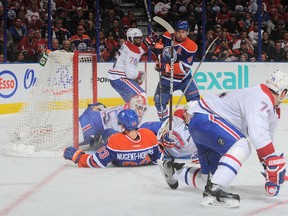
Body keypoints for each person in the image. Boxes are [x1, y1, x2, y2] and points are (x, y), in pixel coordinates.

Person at [158, 69, 288, 208]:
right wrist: (271, 162)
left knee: (210, 178)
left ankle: (175, 171)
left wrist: (269, 164)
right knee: (242, 145)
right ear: (283, 92)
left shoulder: (268, 105)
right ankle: (214, 191)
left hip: (202, 122)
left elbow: (267, 141)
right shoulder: (261, 99)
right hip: (207, 119)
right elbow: (259, 137)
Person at [64, 109, 163, 168]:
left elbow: (95, 162)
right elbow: (159, 158)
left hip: (116, 148)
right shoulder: (149, 135)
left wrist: (77, 156)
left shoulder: (115, 141)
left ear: (122, 125)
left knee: (108, 132)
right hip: (145, 147)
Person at [154, 20, 200, 121]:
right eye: (178, 31)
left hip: (184, 78)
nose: (180, 34)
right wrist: (156, 48)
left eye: (183, 32)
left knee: (195, 99)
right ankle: (164, 123)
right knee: (159, 102)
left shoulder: (191, 46)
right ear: (175, 31)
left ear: (187, 32)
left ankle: (191, 122)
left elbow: (184, 68)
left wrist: (165, 67)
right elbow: (159, 51)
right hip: (166, 79)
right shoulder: (167, 36)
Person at [107, 28, 152, 110]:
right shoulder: (133, 50)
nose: (139, 40)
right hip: (120, 78)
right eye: (136, 39)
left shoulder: (126, 44)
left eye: (140, 38)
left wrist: (146, 45)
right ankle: (114, 113)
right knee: (141, 97)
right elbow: (130, 74)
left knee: (131, 102)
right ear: (131, 38)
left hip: (115, 78)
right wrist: (139, 75)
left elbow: (137, 50)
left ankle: (126, 120)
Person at [79, 94, 148, 148]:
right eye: (139, 108)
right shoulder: (120, 113)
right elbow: (122, 138)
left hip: (102, 125)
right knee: (78, 138)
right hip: (93, 121)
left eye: (143, 109)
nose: (141, 112)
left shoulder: (133, 114)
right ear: (133, 105)